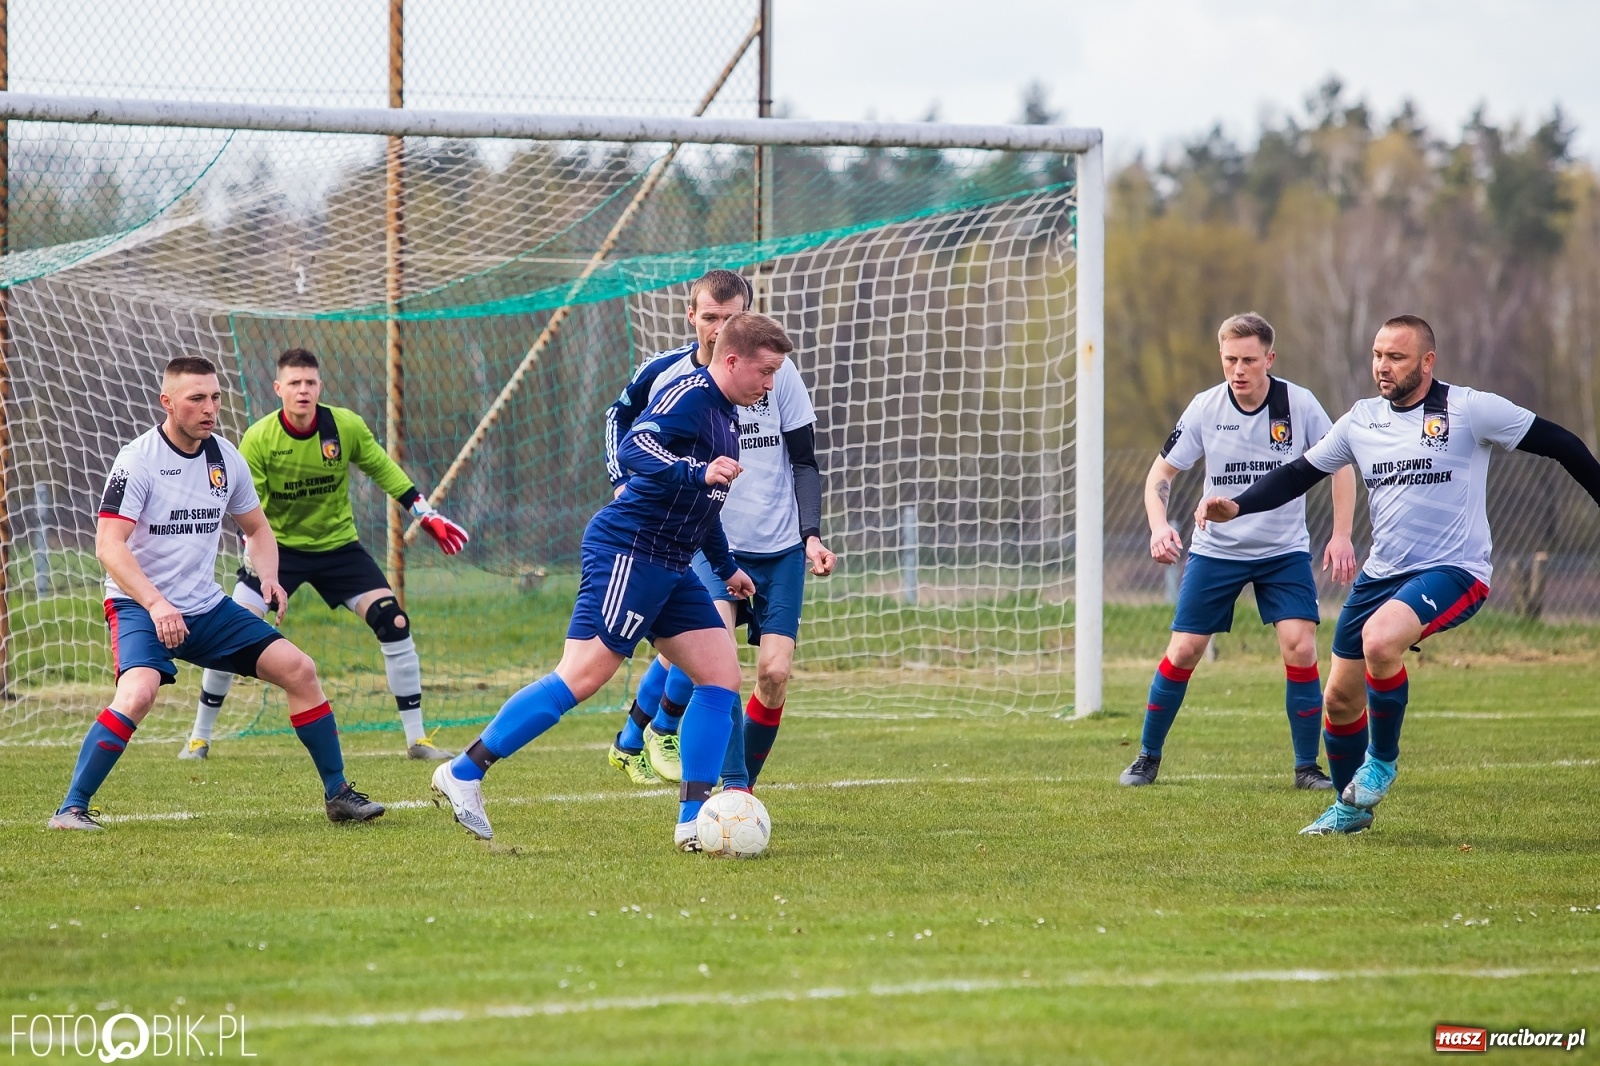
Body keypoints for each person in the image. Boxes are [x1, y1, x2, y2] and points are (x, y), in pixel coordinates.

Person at [1196, 314, 1600, 834]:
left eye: (1396, 357)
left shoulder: (1470, 409)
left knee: (1380, 641)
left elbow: (1563, 443)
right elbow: (1300, 473)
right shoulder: (1361, 419)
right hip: (1381, 575)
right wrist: (1239, 505)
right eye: (1377, 355)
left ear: (1427, 362)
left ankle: (1381, 764)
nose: (1382, 367)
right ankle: (1350, 812)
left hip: (1454, 570)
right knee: (1338, 701)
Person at [430, 312, 795, 850]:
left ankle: (692, 824)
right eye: (765, 372)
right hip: (630, 550)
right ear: (733, 360)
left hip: (671, 559)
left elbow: (704, 508)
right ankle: (464, 772)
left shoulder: (729, 418)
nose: (770, 384)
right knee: (581, 676)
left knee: (720, 676)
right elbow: (634, 448)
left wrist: (727, 569)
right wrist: (695, 471)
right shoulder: (690, 395)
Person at [51, 356, 384, 830]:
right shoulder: (137, 460)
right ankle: (70, 809)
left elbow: (258, 529)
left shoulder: (225, 458)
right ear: (167, 402)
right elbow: (108, 546)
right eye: (197, 399)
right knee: (139, 693)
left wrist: (269, 576)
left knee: (300, 669)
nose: (210, 408)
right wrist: (156, 602)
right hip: (140, 606)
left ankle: (339, 795)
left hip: (205, 608)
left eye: (215, 397)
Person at [602, 269, 836, 789]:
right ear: (693, 317)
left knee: (771, 674)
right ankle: (715, 777)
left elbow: (804, 460)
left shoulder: (773, 374)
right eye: (712, 317)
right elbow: (622, 426)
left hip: (777, 548)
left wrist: (812, 534)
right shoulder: (669, 376)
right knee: (714, 662)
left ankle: (660, 745)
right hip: (706, 543)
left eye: (733, 318)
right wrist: (626, 481)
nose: (721, 327)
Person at [177, 348, 468, 762]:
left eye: (310, 382)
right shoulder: (259, 438)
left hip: (338, 548)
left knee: (394, 620)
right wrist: (252, 553)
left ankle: (417, 741)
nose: (303, 390)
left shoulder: (344, 426)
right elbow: (247, 506)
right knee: (231, 629)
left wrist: (423, 511)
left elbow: (382, 468)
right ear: (278, 389)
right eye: (294, 383)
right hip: (279, 550)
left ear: (320, 387)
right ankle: (199, 738)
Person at [1121, 313, 1357, 789]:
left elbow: (1341, 466)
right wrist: (1158, 525)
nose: (1239, 370)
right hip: (1216, 551)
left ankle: (1306, 768)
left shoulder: (1299, 404)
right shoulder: (1205, 408)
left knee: (1301, 645)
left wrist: (1341, 533)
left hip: (1283, 551)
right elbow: (1159, 476)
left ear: (1269, 358)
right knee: (1185, 649)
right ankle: (1146, 758)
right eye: (1230, 359)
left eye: (1249, 360)